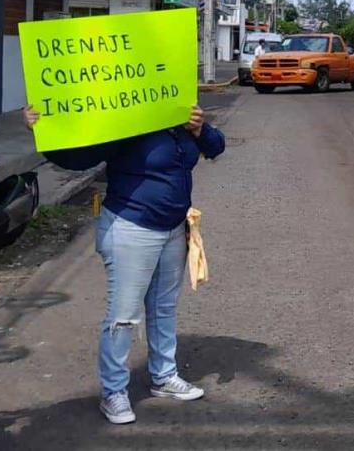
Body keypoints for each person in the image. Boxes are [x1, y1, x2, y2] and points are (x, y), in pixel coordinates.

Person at [24, 104, 225, 425]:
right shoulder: (126, 115)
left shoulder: (179, 111)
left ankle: (164, 376)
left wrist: (200, 129)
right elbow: (79, 158)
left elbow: (216, 146)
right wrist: (42, 130)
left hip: (174, 228)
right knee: (124, 315)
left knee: (163, 308)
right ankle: (114, 392)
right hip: (131, 227)